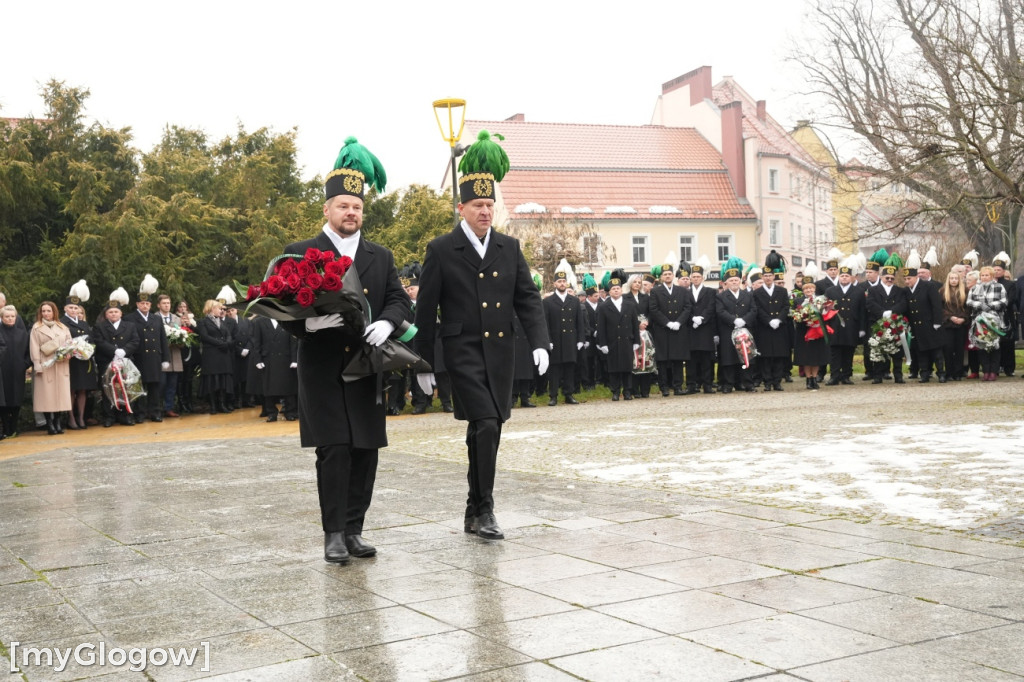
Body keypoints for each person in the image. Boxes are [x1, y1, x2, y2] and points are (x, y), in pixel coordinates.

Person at [280, 137, 411, 563]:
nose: (350, 212)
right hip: (322, 366)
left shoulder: (381, 255)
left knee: (365, 448)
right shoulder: (301, 252)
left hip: (367, 364)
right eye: (342, 205)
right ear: (326, 210)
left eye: (356, 206)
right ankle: (333, 533)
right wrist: (312, 322)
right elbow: (284, 309)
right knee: (333, 448)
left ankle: (355, 529)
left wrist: (387, 322)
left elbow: (398, 299)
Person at [414, 130, 548, 541]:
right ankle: (486, 509)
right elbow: (426, 308)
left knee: (487, 427)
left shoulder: (510, 247)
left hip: (502, 351)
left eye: (490, 204)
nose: (486, 212)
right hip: (463, 350)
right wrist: (423, 364)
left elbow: (526, 298)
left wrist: (540, 341)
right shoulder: (442, 249)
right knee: (487, 422)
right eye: (478, 205)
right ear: (462, 209)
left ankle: (473, 507)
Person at [127, 275, 171, 421]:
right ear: (137, 304)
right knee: (139, 387)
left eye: (147, 303)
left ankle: (155, 412)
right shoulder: (130, 318)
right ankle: (139, 414)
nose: (144, 306)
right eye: (142, 303)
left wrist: (165, 358)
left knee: (154, 387)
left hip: (154, 357)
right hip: (138, 357)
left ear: (151, 305)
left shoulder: (156, 318)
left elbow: (162, 339)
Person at [543, 259, 585, 406]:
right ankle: (553, 395)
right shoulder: (548, 302)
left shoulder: (574, 301)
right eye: (559, 281)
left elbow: (579, 322)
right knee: (554, 369)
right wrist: (547, 340)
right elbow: (545, 323)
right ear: (554, 284)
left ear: (567, 283)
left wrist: (580, 339)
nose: (562, 283)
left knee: (569, 368)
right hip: (555, 340)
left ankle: (569, 394)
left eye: (563, 281)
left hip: (570, 339)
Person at [648, 258, 692, 396]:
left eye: (669, 274)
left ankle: (678, 386)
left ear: (673, 276)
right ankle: (664, 387)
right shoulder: (656, 291)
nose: (667, 276)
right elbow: (654, 310)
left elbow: (687, 308)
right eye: (665, 274)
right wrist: (667, 322)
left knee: (678, 359)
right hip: (662, 330)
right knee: (662, 360)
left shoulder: (682, 291)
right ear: (661, 277)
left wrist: (678, 322)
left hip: (679, 329)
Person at [30, 301, 73, 434]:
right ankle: (50, 424)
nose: (46, 313)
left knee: (60, 396)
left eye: (49, 311)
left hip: (61, 365)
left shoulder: (63, 327)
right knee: (46, 396)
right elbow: (34, 347)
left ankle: (58, 422)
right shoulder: (36, 328)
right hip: (46, 363)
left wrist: (68, 354)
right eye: (43, 311)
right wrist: (37, 364)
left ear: (54, 312)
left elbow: (70, 343)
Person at [596, 270, 640, 400]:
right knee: (613, 368)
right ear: (609, 292)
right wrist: (602, 343)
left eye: (618, 288)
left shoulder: (630, 305)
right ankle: (615, 391)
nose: (616, 290)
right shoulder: (604, 307)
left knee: (627, 368)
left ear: (621, 290)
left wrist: (636, 341)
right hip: (612, 342)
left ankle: (627, 391)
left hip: (627, 340)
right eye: (613, 289)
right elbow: (601, 327)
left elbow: (634, 324)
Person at [716, 259, 758, 393]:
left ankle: (747, 383)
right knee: (729, 358)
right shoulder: (721, 296)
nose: (734, 282)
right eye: (731, 280)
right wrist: (734, 320)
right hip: (728, 330)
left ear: (740, 281)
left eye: (736, 280)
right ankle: (729, 384)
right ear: (726, 283)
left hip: (745, 330)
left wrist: (744, 320)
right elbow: (720, 311)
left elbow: (753, 310)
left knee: (745, 357)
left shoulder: (748, 295)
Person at [865, 257, 910, 384]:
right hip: (878, 323)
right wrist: (882, 312)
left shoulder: (899, 291)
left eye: (892, 278)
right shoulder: (873, 290)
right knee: (878, 349)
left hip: (895, 323)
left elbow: (903, 304)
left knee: (896, 350)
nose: (889, 280)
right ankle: (878, 376)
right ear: (882, 277)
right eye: (887, 278)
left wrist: (892, 312)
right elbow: (870, 304)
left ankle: (898, 375)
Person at [903, 257, 946, 382]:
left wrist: (937, 322)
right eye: (905, 279)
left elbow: (936, 305)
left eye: (909, 278)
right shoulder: (906, 291)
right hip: (916, 326)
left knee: (936, 352)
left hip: (931, 324)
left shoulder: (928, 286)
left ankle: (941, 373)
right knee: (921, 351)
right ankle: (924, 373)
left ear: (916, 277)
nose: (907, 281)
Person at [752, 251, 790, 391]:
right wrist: (769, 320)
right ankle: (767, 382)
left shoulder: (782, 291)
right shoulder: (757, 293)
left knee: (779, 356)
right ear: (762, 277)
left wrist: (779, 319)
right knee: (766, 357)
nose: (768, 278)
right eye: (765, 276)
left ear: (774, 276)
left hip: (779, 328)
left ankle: (777, 381)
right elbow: (757, 309)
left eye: (770, 275)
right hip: (765, 328)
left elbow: (786, 306)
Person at [824, 261, 865, 384]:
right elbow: (825, 310)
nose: (844, 278)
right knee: (835, 352)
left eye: (847, 276)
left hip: (851, 326)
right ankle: (834, 376)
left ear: (851, 277)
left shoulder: (858, 291)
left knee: (848, 352)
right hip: (834, 326)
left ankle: (846, 375)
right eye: (842, 276)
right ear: (839, 277)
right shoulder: (830, 291)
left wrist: (862, 328)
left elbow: (862, 311)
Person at [62, 280, 96, 429]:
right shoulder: (62, 322)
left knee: (83, 390)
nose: (74, 310)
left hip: (84, 361)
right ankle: (71, 418)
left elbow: (91, 340)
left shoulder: (83, 323)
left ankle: (81, 417)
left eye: (76, 308)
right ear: (65, 308)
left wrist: (88, 350)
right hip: (71, 361)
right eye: (71, 307)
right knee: (72, 390)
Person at [251, 316, 297, 422]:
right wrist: (257, 360)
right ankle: (271, 413)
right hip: (268, 359)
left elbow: (293, 341)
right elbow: (256, 342)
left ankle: (290, 412)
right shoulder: (259, 322)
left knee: (288, 387)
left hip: (285, 358)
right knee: (269, 388)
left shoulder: (286, 318)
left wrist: (294, 359)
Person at [967, 265, 1008, 381]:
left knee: (994, 346)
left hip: (994, 320)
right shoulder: (975, 288)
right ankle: (985, 371)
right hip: (979, 321)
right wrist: (979, 305)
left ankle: (993, 371)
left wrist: (990, 306)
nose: (984, 277)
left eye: (987, 275)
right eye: (983, 275)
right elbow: (969, 301)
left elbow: (1004, 301)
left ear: (992, 276)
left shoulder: (999, 287)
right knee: (982, 346)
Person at [196, 298, 234, 413]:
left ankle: (222, 404)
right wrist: (220, 343)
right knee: (212, 381)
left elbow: (228, 334)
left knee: (222, 380)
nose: (221, 310)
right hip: (211, 355)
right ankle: (213, 405)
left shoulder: (221, 321)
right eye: (219, 308)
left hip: (223, 354)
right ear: (212, 309)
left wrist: (227, 343)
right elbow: (204, 337)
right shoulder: (203, 322)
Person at [792, 277, 831, 389]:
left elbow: (826, 314)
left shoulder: (821, 300)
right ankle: (808, 379)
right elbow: (795, 317)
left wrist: (817, 321)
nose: (809, 291)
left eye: (811, 288)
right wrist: (806, 320)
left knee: (816, 357)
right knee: (806, 357)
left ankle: (815, 378)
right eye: (806, 289)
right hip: (804, 332)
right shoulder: (798, 301)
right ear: (803, 290)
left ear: (814, 289)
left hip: (817, 332)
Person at [686, 256, 717, 395]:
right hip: (691, 329)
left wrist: (702, 319)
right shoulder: (685, 292)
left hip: (705, 329)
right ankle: (691, 385)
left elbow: (711, 308)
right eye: (694, 276)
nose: (696, 278)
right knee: (691, 360)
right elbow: (685, 308)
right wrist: (693, 318)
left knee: (706, 359)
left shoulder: (710, 292)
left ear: (703, 278)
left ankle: (707, 384)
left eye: (698, 276)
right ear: (691, 278)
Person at [0, 305, 31, 438]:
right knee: (3, 400)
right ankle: (6, 428)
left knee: (16, 399)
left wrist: (25, 364)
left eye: (13, 316)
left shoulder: (22, 333)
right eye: (7, 316)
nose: (10, 319)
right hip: (2, 372)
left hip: (18, 371)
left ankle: (13, 428)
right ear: (2, 318)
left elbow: (29, 353)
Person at [155, 295, 183, 417]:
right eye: (164, 303)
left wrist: (180, 339)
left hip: (175, 355)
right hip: (161, 356)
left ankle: (169, 408)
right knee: (161, 384)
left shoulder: (177, 318)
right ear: (158, 305)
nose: (167, 305)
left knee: (172, 384)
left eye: (169, 303)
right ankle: (157, 408)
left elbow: (182, 335)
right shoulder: (154, 318)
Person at [991, 252, 1017, 377]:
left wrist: (997, 305)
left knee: (1007, 343)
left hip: (1005, 316)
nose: (996, 272)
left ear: (1003, 271)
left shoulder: (1010, 284)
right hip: (991, 316)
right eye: (994, 269)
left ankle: (1009, 367)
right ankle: (996, 367)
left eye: (999, 270)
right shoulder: (989, 283)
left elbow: (1010, 299)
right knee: (995, 342)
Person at [940, 269, 969, 381]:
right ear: (948, 279)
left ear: (959, 280)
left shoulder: (965, 291)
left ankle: (958, 372)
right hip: (948, 324)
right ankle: (949, 372)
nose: (953, 280)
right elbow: (941, 308)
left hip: (961, 324)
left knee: (959, 349)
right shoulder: (942, 291)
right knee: (948, 349)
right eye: (951, 278)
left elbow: (968, 307)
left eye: (956, 278)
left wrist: (962, 318)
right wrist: (951, 317)